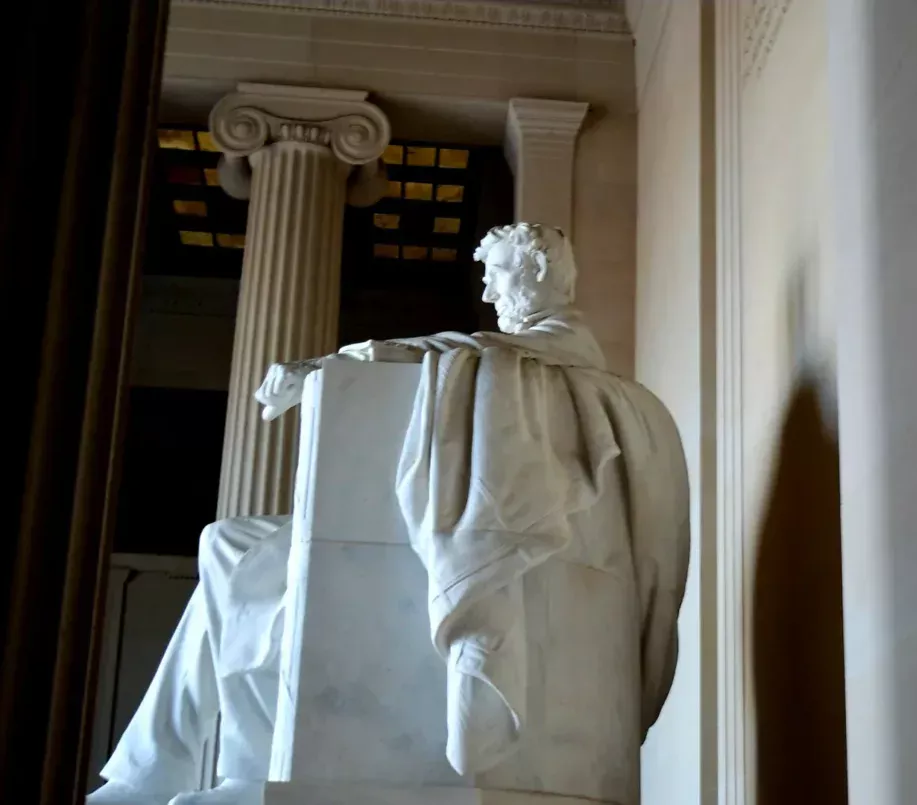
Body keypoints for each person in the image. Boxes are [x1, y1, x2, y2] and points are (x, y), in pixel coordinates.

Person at [88, 223, 689, 805]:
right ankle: (190, 763)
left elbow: (477, 351)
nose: (486, 292)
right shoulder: (512, 354)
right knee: (225, 543)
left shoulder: (555, 348)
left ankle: (170, 767)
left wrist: (341, 361)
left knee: (236, 565)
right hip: (394, 520)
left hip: (419, 529)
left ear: (536, 272)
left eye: (497, 274)